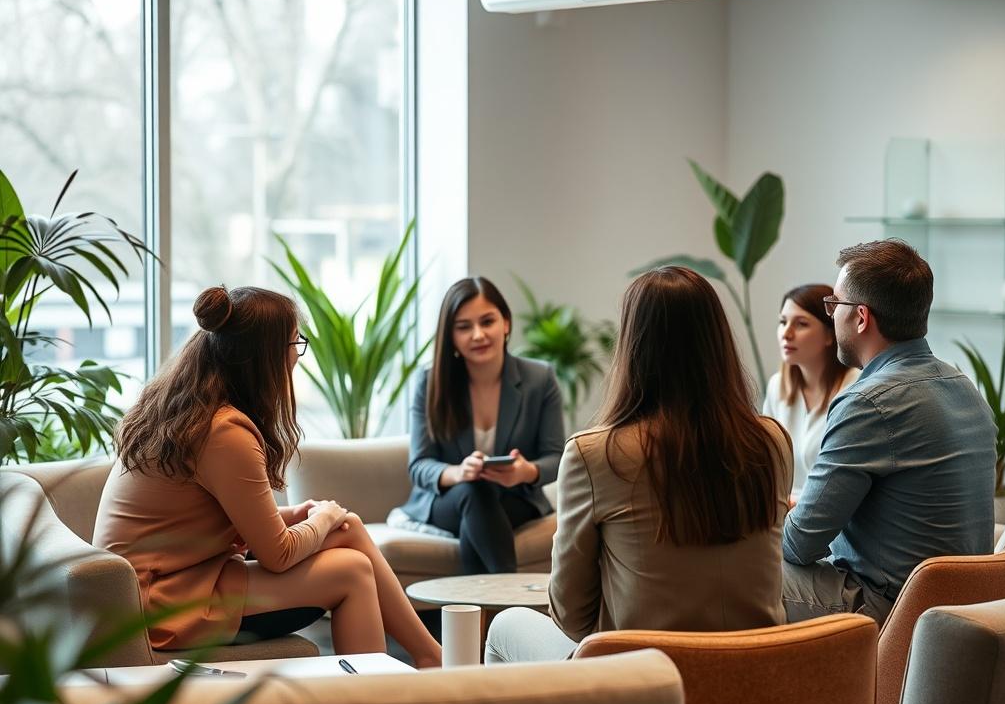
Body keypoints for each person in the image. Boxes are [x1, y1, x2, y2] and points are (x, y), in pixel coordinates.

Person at [94, 286, 441, 667]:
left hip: (177, 581)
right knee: (352, 571)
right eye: (295, 342)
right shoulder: (223, 432)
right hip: (158, 605)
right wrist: (320, 518)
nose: (297, 354)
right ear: (265, 356)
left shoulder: (191, 409)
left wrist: (311, 519)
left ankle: (430, 657)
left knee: (348, 526)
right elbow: (278, 554)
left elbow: (203, 522)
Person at [485, 266, 793, 664]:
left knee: (504, 626)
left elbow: (570, 616)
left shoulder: (595, 454)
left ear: (633, 346)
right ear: (717, 343)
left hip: (643, 685)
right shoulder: (770, 442)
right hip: (755, 676)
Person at [783, 239, 997, 625]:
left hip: (891, 608)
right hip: (960, 607)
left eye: (834, 305)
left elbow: (800, 545)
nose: (831, 316)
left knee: (737, 573)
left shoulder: (868, 403)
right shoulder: (965, 390)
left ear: (861, 317)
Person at [403, 277, 565, 575]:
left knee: (479, 511)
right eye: (463, 327)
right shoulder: (430, 383)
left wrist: (525, 472)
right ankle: (508, 602)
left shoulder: (540, 379)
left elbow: (557, 456)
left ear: (505, 323)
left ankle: (472, 617)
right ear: (450, 335)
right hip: (450, 499)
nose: (477, 335)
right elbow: (419, 465)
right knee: (474, 492)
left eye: (487, 321)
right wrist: (458, 472)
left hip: (515, 497)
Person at [763, 284, 858, 503]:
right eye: (783, 322)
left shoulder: (854, 388)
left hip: (829, 516)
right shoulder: (777, 387)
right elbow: (766, 465)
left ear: (830, 334)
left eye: (801, 324)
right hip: (782, 512)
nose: (786, 333)